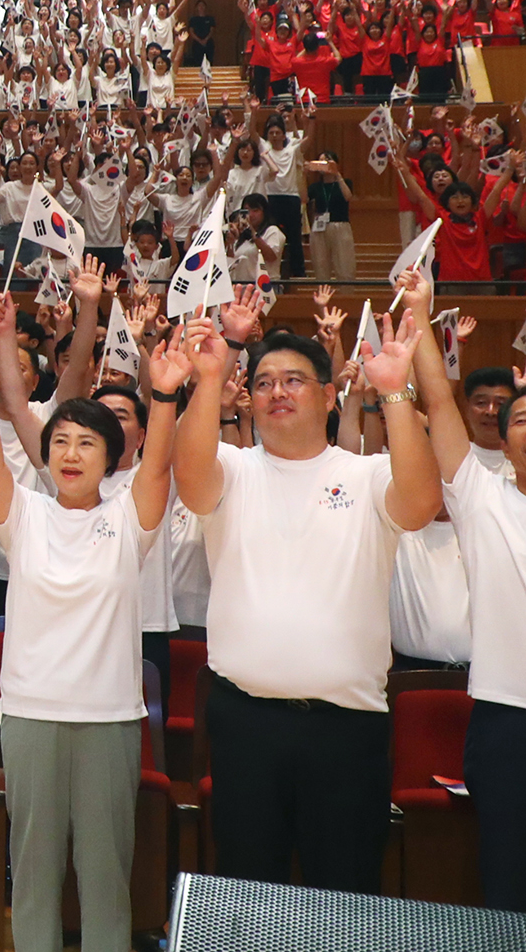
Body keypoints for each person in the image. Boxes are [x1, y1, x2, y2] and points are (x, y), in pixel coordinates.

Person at [171, 314, 439, 892]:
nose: (277, 391)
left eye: (294, 380)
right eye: (264, 382)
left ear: (327, 395)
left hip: (346, 730)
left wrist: (394, 389)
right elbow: (189, 477)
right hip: (245, 721)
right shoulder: (234, 468)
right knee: (247, 889)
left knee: (343, 895)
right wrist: (211, 377)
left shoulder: (367, 474)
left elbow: (419, 504)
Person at [0, 356, 177, 952]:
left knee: (106, 872)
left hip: (108, 718)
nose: (71, 454)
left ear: (111, 458)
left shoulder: (128, 518)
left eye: (87, 443)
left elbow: (158, 464)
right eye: (59, 441)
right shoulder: (25, 515)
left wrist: (163, 395)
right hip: (31, 713)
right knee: (32, 870)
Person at [399, 270, 526, 910]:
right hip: (506, 715)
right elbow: (442, 405)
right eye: (524, 418)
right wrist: (421, 315)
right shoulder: (482, 499)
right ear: (503, 438)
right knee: (505, 870)